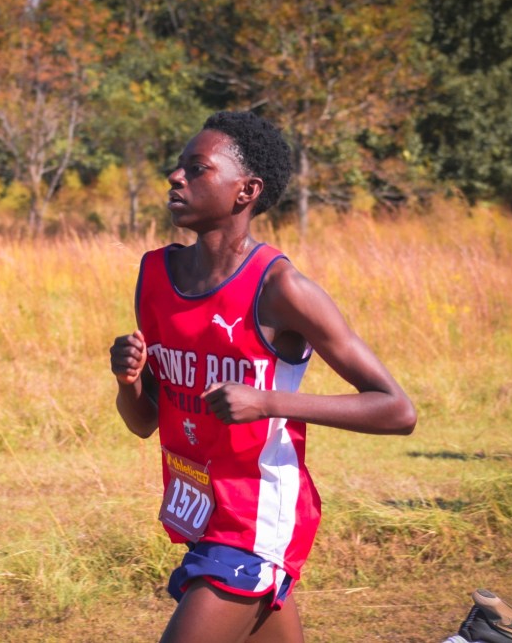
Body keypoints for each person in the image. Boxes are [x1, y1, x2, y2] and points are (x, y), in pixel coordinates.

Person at [109, 110, 417, 643]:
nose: (175, 177)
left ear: (246, 191)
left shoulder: (281, 289)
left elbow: (397, 410)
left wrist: (269, 402)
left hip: (256, 521)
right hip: (201, 513)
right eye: (178, 166)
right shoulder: (155, 275)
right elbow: (143, 422)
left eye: (197, 169)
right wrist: (128, 380)